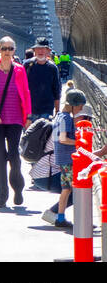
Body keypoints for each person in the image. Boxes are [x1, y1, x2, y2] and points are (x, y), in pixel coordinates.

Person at [0, 35, 31, 209]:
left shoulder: (19, 70)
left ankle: (18, 187)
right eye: (4, 49)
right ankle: (1, 196)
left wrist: (28, 117)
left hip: (16, 118)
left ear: (14, 51)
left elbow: (25, 93)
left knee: (14, 156)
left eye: (10, 49)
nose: (7, 52)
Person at [46, 89, 90, 229]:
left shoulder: (59, 116)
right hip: (68, 159)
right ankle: (82, 220)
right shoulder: (65, 118)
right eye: (80, 106)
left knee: (66, 190)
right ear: (72, 105)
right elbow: (63, 139)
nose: (81, 109)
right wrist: (79, 143)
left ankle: (60, 218)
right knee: (77, 189)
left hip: (62, 158)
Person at [24, 38, 61, 121]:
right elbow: (21, 87)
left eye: (42, 48)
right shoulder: (27, 65)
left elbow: (56, 90)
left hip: (47, 110)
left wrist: (57, 110)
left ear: (48, 51)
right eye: (37, 49)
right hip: (29, 110)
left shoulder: (52, 68)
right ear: (34, 51)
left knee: (45, 133)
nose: (40, 51)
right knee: (30, 134)